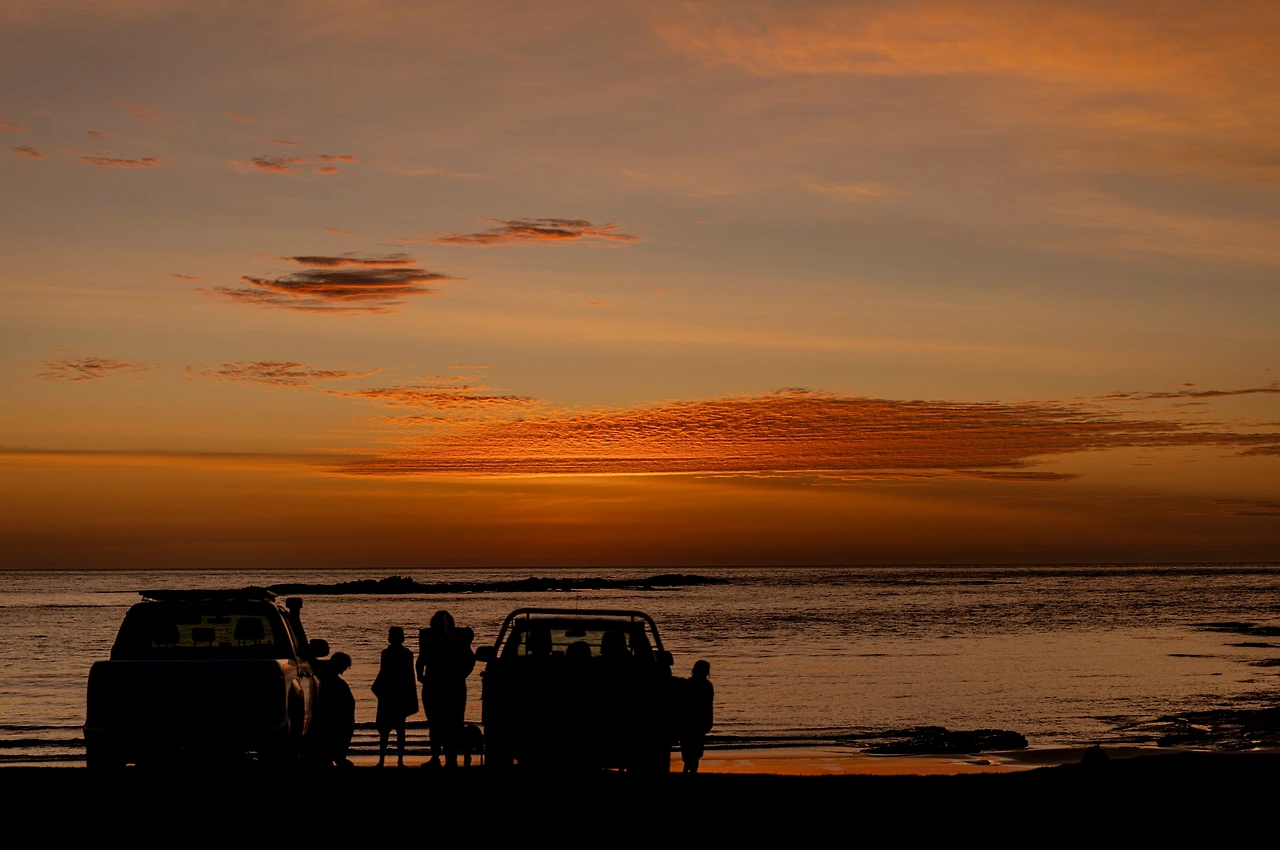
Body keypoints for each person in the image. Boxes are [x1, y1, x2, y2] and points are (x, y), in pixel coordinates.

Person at [416, 610, 475, 768]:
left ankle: (437, 757)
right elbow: (470, 660)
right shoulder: (457, 641)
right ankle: (450, 758)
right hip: (453, 687)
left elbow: (420, 661)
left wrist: (420, 676)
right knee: (454, 723)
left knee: (435, 723)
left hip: (434, 686)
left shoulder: (430, 641)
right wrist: (462, 675)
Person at [372, 626, 418, 767]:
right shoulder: (407, 653)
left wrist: (378, 690)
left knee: (385, 731)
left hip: (388, 694)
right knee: (399, 730)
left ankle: (382, 761)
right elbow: (410, 677)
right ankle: (399, 761)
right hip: (400, 695)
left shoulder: (387, 653)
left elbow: (383, 673)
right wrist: (411, 698)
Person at [680, 659, 714, 773]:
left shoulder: (688, 684)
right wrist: (709, 722)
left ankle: (687, 771)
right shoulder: (707, 686)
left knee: (689, 751)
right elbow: (708, 706)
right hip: (699, 722)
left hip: (688, 722)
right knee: (694, 752)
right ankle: (689, 772)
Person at [323, 651, 356, 767]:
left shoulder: (337, 683)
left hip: (340, 720)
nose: (342, 672)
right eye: (343, 668)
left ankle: (337, 757)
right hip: (337, 720)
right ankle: (338, 757)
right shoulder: (336, 683)